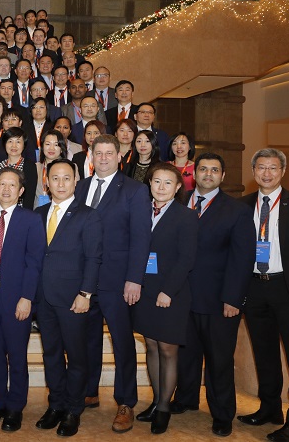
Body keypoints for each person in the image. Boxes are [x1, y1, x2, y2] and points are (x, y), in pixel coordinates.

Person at [170, 153, 255, 437]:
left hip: (219, 300)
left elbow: (242, 259)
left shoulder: (237, 210)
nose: (208, 174)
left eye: (214, 170)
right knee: (186, 353)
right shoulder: (178, 202)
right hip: (182, 296)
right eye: (203, 169)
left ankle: (222, 413)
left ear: (223, 176)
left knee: (219, 360)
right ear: (194, 174)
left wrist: (233, 298)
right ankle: (186, 398)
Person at [75, 134, 151, 433]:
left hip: (117, 281)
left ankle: (125, 402)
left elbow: (141, 239)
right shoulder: (80, 187)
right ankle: (89, 391)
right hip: (84, 280)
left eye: (110, 153)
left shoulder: (135, 190)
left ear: (120, 156)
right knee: (87, 339)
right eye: (99, 153)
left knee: (121, 342)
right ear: (91, 156)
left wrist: (134, 279)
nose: (104, 158)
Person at [238, 148, 289, 442]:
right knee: (264, 352)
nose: (267, 173)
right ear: (254, 171)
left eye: (273, 168)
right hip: (255, 287)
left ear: (282, 172)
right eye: (261, 168)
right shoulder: (242, 206)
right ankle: (269, 409)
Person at [34, 158, 102, 437]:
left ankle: (74, 409)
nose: (60, 184)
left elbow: (94, 258)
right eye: (55, 178)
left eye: (66, 178)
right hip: (44, 298)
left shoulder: (88, 215)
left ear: (76, 181)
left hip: (74, 298)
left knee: (76, 356)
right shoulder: (38, 213)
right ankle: (56, 404)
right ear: (47, 183)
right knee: (51, 354)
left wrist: (85, 293)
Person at [0, 167, 45, 432]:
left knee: (16, 354)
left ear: (21, 191)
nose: (6, 189)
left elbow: (34, 262)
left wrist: (27, 297)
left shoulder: (31, 220)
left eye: (12, 185)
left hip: (17, 297)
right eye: (2, 184)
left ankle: (15, 406)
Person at [133, 163, 197, 434]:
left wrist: (168, 291)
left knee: (168, 350)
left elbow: (187, 259)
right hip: (144, 290)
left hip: (172, 292)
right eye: (156, 181)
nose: (161, 187)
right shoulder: (140, 212)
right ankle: (157, 400)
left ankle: (163, 408)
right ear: (149, 183)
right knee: (151, 346)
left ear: (178, 187)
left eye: (168, 183)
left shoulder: (186, 216)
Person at [0, 127, 37, 209]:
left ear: (24, 145)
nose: (14, 146)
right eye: (10, 141)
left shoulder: (30, 166)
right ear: (5, 144)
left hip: (21, 211)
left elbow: (30, 195)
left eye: (18, 142)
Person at [35, 130, 68, 209]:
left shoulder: (69, 168)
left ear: (61, 148)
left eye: (56, 145)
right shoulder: (35, 167)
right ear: (42, 147)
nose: (51, 148)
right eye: (48, 144)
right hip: (37, 211)